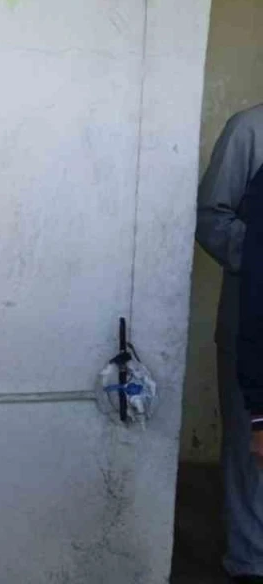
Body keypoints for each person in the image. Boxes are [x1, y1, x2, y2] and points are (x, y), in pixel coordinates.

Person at [198, 104, 263, 582]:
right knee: (253, 445)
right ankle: (249, 563)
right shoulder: (250, 128)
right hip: (252, 319)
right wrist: (259, 256)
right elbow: (210, 218)